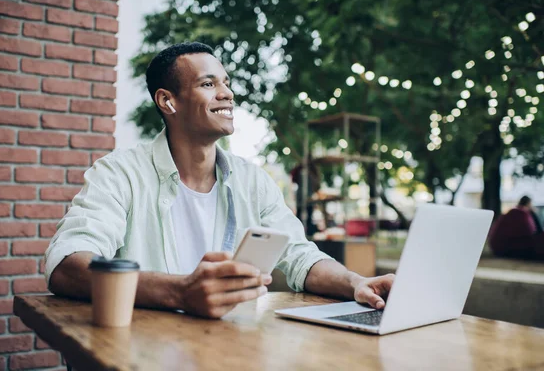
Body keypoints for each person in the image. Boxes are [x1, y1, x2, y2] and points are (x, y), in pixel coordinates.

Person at [45, 42, 395, 319]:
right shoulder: (119, 172)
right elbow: (67, 267)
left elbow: (301, 257)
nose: (227, 93)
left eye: (226, 83)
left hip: (227, 351)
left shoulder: (252, 181)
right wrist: (180, 292)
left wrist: (356, 283)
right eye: (208, 84)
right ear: (168, 101)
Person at [488, 195, 544, 261]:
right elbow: (531, 233)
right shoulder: (522, 213)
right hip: (508, 248)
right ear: (529, 204)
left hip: (497, 247)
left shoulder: (512, 212)